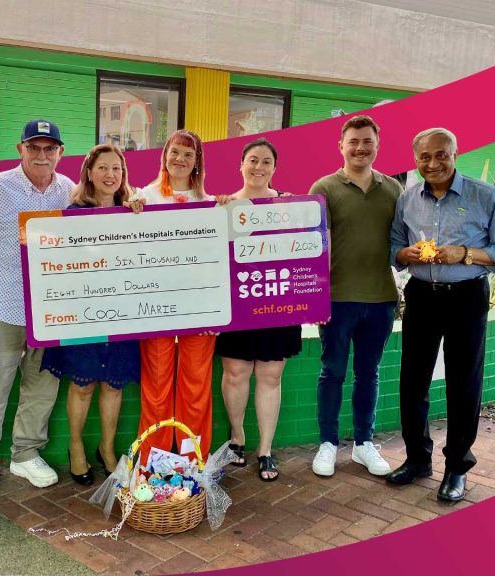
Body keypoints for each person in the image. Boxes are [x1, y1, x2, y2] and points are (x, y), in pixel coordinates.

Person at [388, 127, 495, 501]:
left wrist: (464, 253)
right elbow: (396, 243)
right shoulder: (408, 198)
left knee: (464, 384)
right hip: (421, 296)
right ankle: (417, 459)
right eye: (424, 157)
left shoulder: (484, 196)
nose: (433, 163)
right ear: (415, 160)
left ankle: (456, 469)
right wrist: (404, 255)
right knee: (412, 381)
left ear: (454, 154)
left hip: (466, 296)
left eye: (440, 154)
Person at [0, 119, 74, 499]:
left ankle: (25, 454)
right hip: (1, 304)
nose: (42, 155)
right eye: (34, 147)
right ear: (20, 149)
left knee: (42, 387)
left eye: (50, 148)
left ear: (60, 152)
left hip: (50, 310)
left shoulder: (69, 191)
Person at [40, 144, 142, 485]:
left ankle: (107, 449)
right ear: (89, 172)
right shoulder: (72, 212)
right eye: (103, 168)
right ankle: (77, 447)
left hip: (123, 312)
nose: (110, 175)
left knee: (113, 385)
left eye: (117, 169)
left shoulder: (134, 211)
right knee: (83, 385)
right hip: (83, 312)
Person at [308, 115, 402, 478]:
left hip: (380, 299)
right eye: (353, 141)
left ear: (377, 145)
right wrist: (315, 298)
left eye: (367, 141)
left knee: (369, 373)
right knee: (331, 372)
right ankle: (328, 444)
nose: (360, 148)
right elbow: (312, 246)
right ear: (341, 146)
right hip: (337, 300)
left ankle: (364, 444)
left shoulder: (393, 189)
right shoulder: (325, 187)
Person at [131, 129, 222, 462]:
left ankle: (190, 460)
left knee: (196, 385)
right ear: (164, 156)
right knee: (156, 386)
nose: (180, 159)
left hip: (199, 308)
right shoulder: (146, 198)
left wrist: (218, 309)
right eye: (175, 152)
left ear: (197, 161)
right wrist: (130, 210)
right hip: (157, 308)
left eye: (188, 153)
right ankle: (154, 463)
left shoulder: (210, 203)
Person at [216, 138, 302, 482]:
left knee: (270, 376)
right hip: (237, 302)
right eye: (253, 160)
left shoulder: (290, 205)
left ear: (274, 168)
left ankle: (265, 450)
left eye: (266, 161)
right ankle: (237, 439)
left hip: (277, 301)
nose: (259, 167)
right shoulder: (224, 205)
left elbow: (306, 251)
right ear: (241, 164)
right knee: (235, 374)